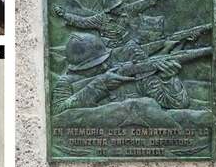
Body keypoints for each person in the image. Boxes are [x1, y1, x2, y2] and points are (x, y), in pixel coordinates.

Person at [52, 33, 191, 115]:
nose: (105, 66)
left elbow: (179, 105)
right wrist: (99, 85)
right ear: (79, 69)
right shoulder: (67, 82)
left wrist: (169, 80)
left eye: (105, 60)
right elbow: (57, 113)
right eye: (97, 65)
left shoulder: (131, 72)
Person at [53, 0, 169, 48]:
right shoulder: (100, 18)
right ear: (109, 10)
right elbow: (83, 21)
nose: (120, 7)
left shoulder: (126, 10)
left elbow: (139, 5)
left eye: (120, 5)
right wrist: (65, 15)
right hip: (110, 50)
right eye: (116, 7)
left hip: (128, 46)